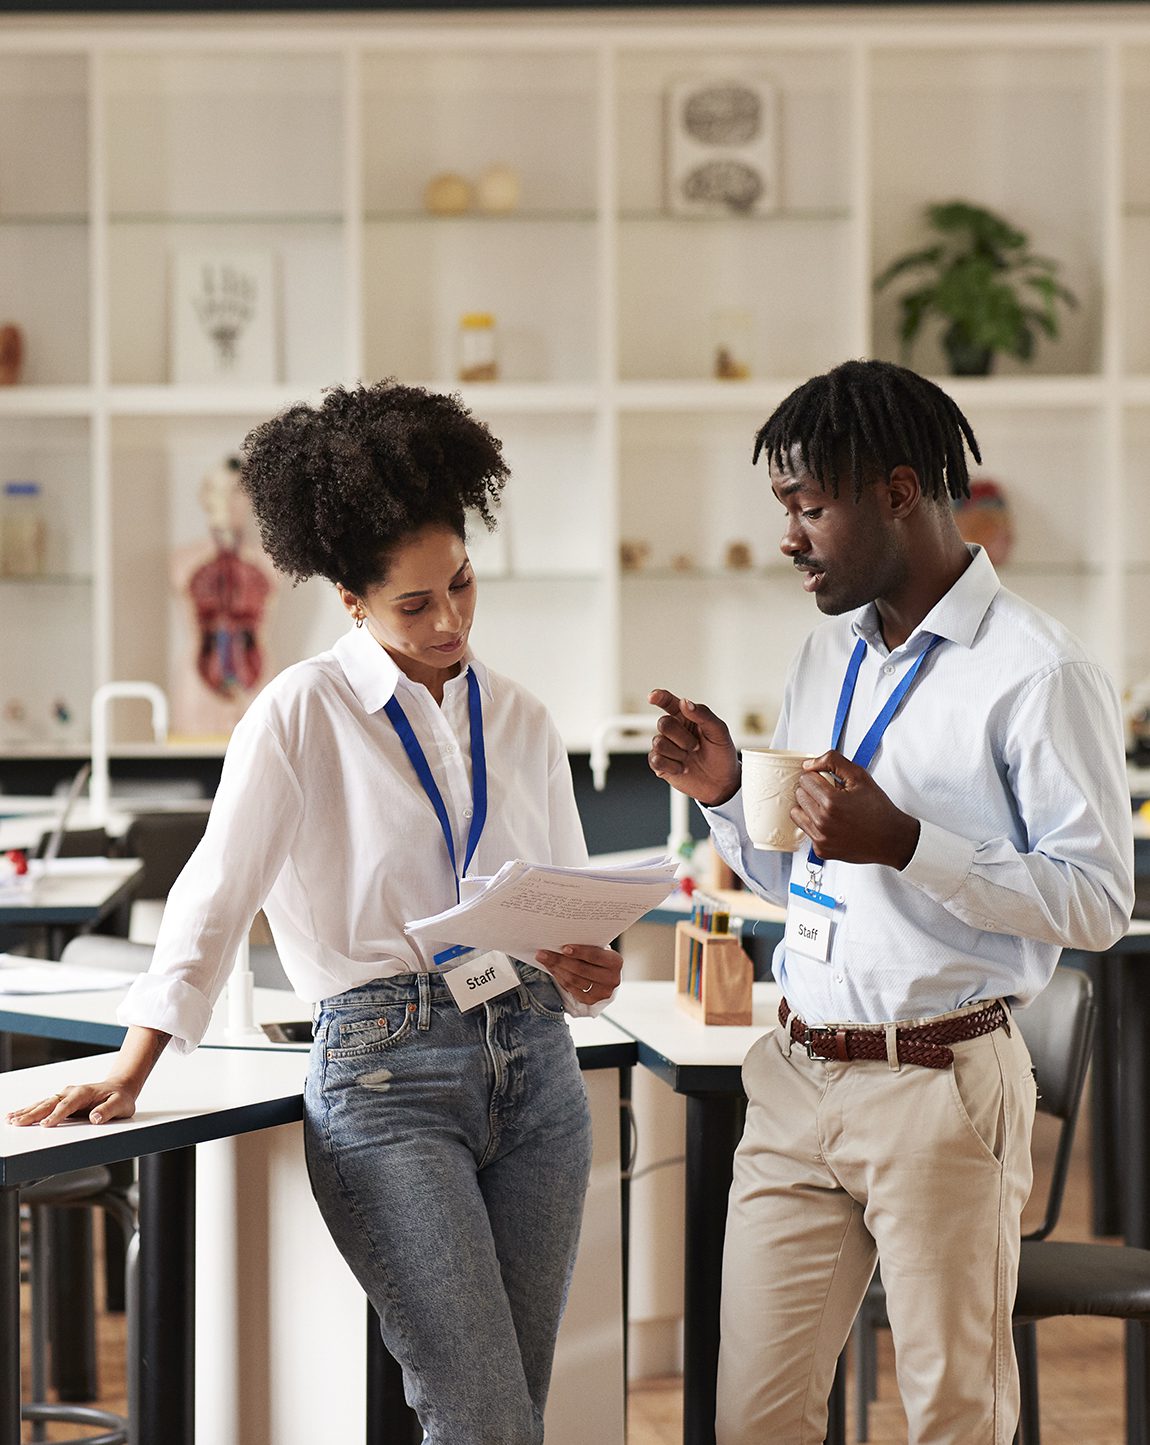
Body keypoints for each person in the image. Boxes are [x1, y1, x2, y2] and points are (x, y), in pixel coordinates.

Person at [6, 380, 622, 1445]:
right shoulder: (299, 713)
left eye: (461, 584)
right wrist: (132, 1061)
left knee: (511, 1413)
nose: (450, 620)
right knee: (481, 1418)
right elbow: (215, 891)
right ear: (351, 600)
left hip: (537, 1070)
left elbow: (569, 907)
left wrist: (587, 966)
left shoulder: (520, 716)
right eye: (414, 605)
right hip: (388, 1082)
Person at [647, 358, 1133, 1444]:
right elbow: (798, 876)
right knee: (752, 1419)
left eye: (809, 507)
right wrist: (725, 793)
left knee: (952, 1419)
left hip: (939, 1086)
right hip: (796, 1072)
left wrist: (909, 843)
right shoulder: (826, 652)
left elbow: (1098, 901)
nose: (788, 536)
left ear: (900, 492)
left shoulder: (1040, 673)